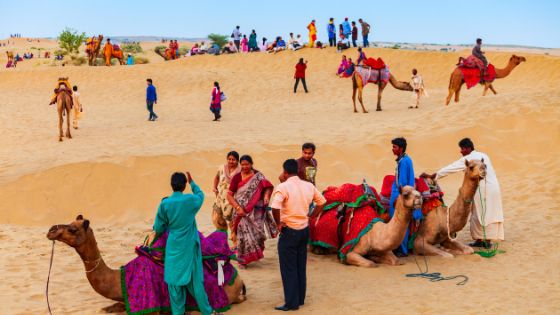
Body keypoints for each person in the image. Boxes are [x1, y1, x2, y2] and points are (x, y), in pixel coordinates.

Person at [421, 138, 504, 248]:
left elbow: (452, 167)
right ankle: (481, 239)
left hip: (483, 188)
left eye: (463, 149)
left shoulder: (470, 159)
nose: (461, 151)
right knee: (486, 212)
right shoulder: (483, 155)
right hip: (493, 187)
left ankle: (485, 241)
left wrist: (434, 176)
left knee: (480, 213)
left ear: (469, 148)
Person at [153, 172, 215, 315]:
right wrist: (193, 183)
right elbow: (201, 195)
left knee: (174, 283)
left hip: (173, 246)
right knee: (196, 283)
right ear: (184, 185)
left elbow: (158, 228)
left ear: (172, 185)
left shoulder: (165, 203)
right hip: (190, 246)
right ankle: (207, 311)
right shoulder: (190, 200)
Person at [270, 159, 326, 312]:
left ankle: (291, 303)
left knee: (288, 268)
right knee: (300, 266)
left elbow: (275, 207)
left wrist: (278, 223)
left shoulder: (283, 186)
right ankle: (300, 298)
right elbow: (322, 202)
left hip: (289, 231)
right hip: (304, 230)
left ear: (285, 172)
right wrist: (311, 216)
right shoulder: (309, 185)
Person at [226, 155, 276, 267]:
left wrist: (267, 197)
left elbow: (267, 187)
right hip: (240, 211)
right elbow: (229, 195)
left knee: (258, 234)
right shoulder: (237, 177)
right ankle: (242, 260)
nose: (244, 166)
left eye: (247, 164)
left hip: (256, 211)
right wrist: (238, 208)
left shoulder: (258, 176)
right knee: (242, 236)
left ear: (251, 164)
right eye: (242, 164)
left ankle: (253, 254)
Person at [389, 137, 416, 257]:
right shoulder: (404, 160)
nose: (392, 149)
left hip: (401, 195)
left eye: (394, 147)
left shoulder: (404, 161)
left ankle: (402, 249)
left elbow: (402, 182)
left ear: (400, 149)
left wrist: (398, 198)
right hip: (400, 192)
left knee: (400, 222)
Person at [213, 151, 241, 240]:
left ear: (237, 161)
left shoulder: (240, 170)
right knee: (217, 218)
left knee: (231, 221)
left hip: (232, 199)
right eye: (229, 159)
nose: (231, 161)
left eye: (233, 160)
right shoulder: (221, 168)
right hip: (220, 197)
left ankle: (235, 241)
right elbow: (216, 177)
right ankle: (222, 239)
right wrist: (214, 187)